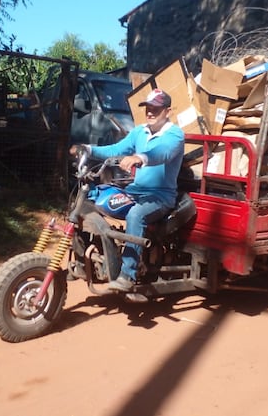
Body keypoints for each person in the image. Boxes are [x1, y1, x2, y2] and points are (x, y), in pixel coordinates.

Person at [69, 88, 185, 291]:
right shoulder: (140, 131)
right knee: (92, 199)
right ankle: (83, 259)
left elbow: (162, 153)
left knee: (135, 216)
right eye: (148, 108)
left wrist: (140, 158)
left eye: (155, 109)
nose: (150, 112)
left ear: (168, 111)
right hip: (135, 190)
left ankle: (128, 275)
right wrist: (88, 149)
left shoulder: (175, 135)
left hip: (160, 196)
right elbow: (117, 149)